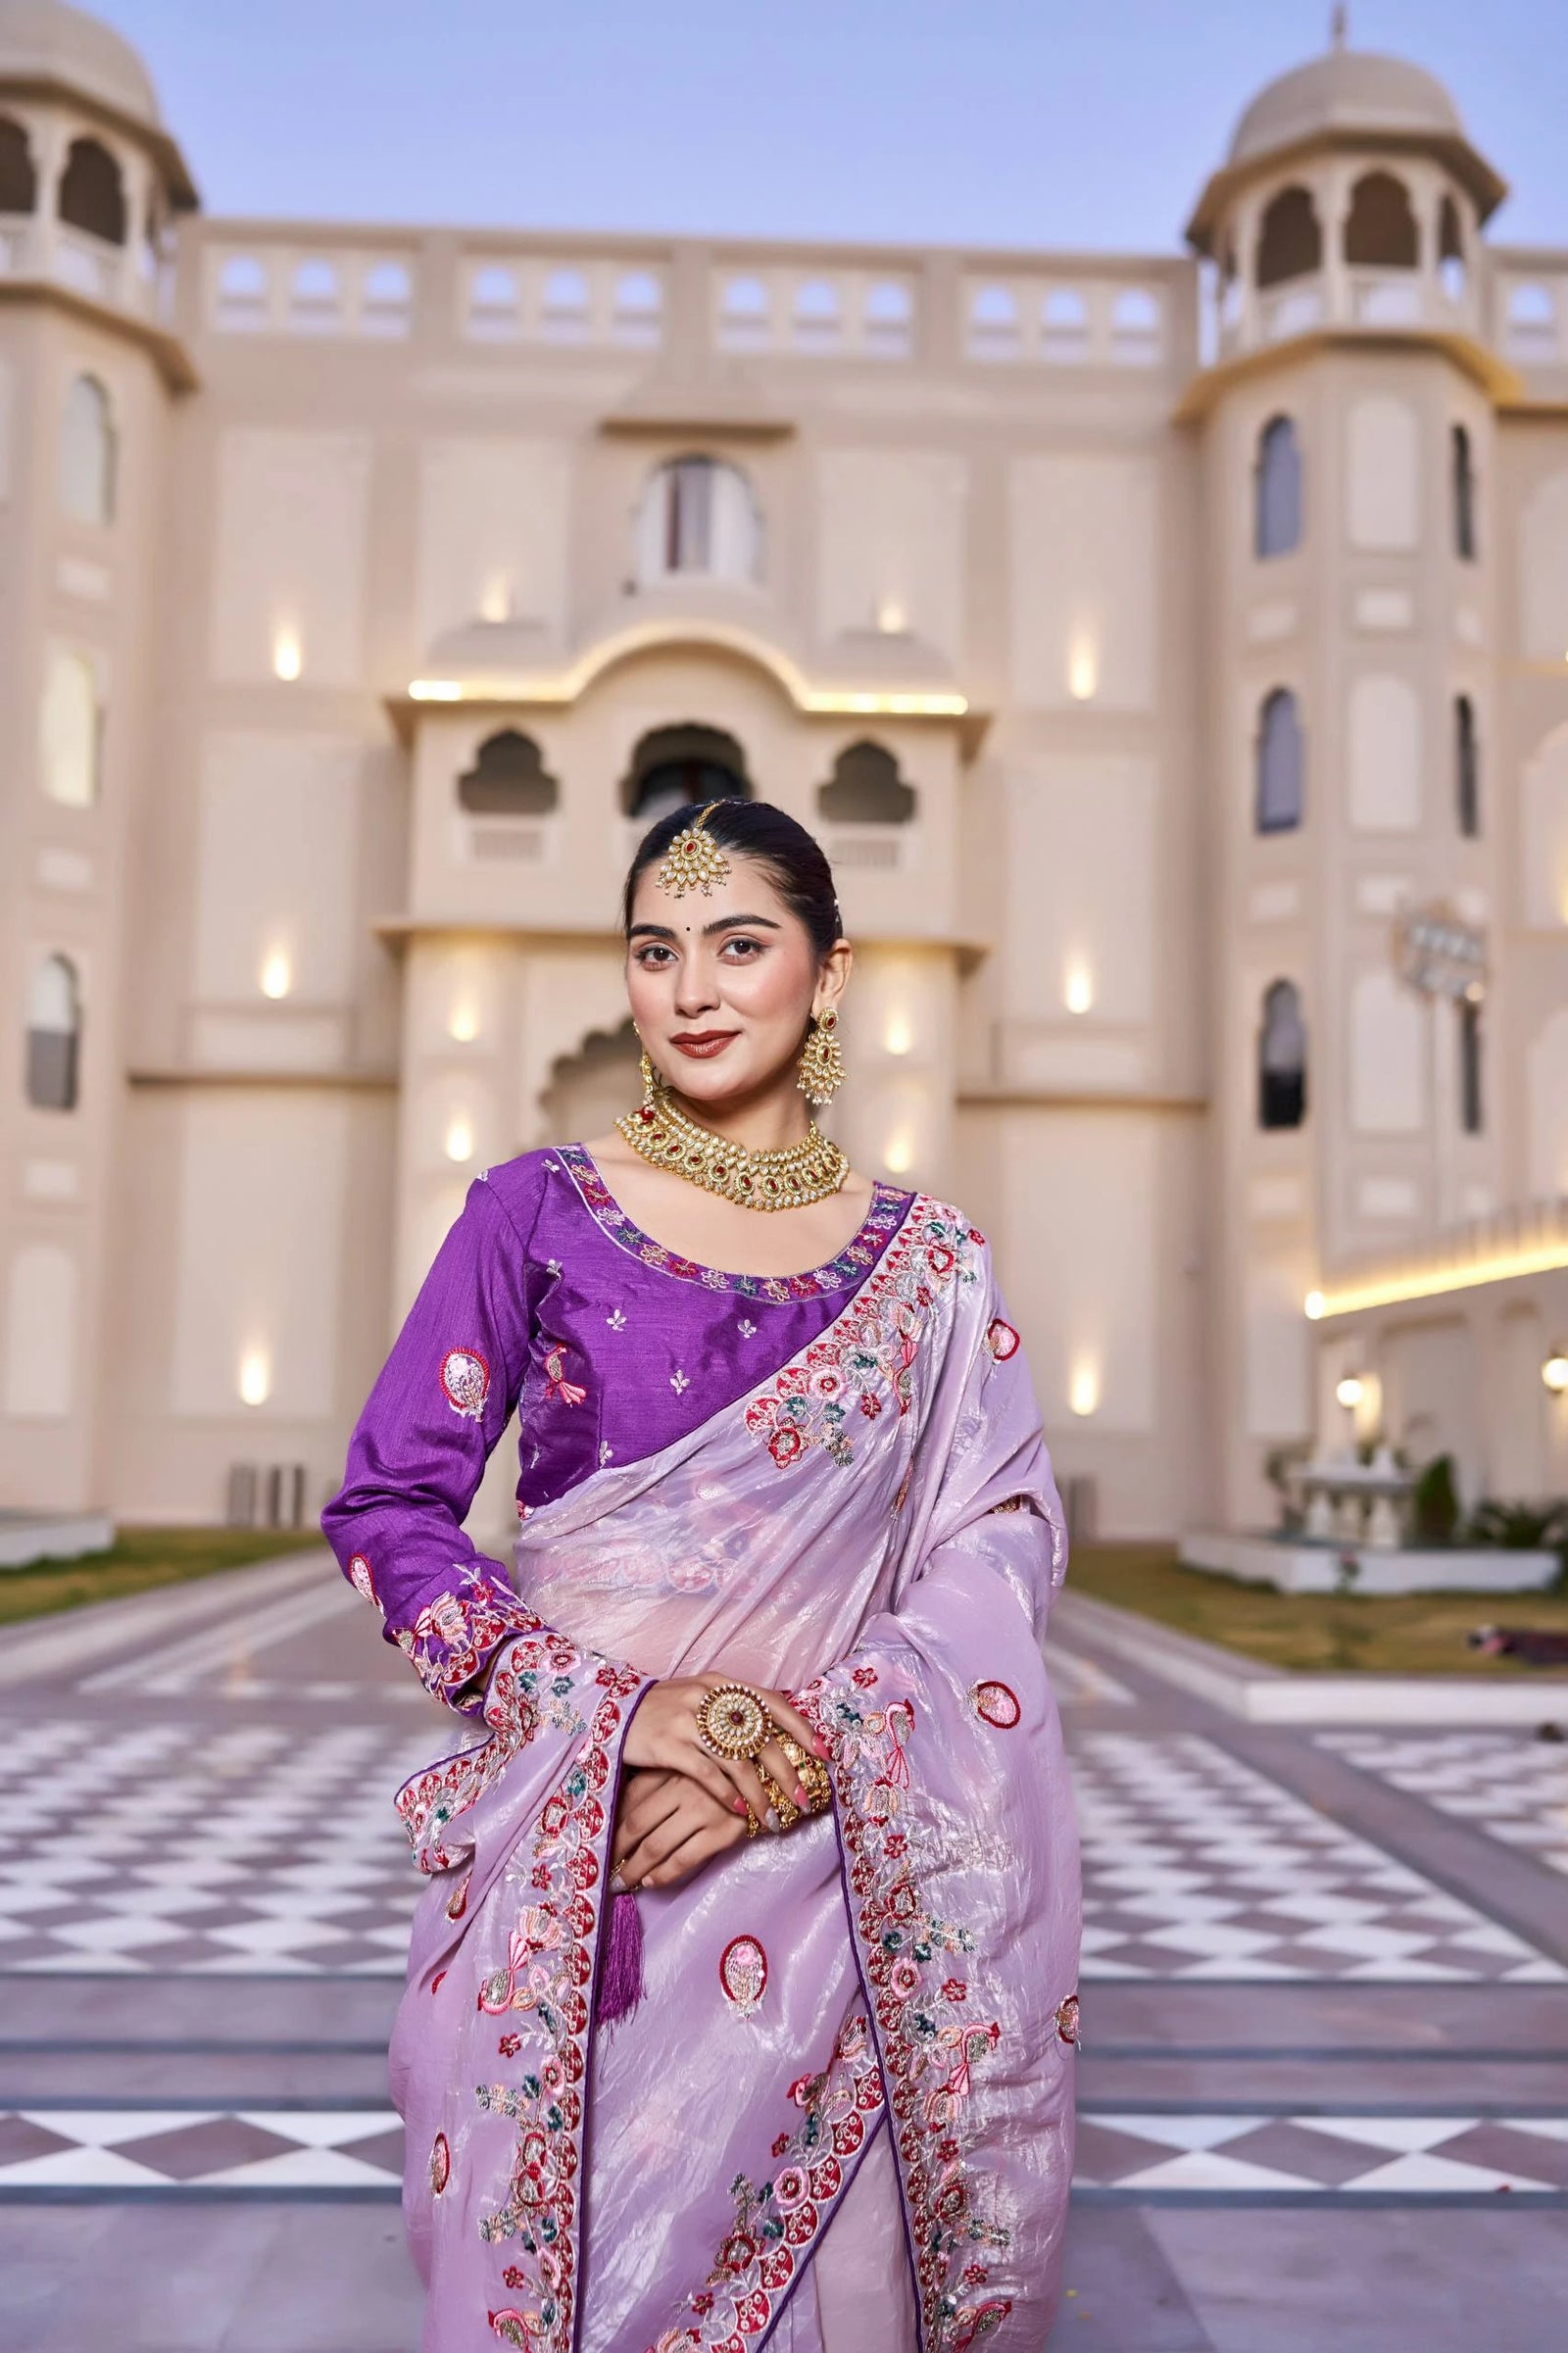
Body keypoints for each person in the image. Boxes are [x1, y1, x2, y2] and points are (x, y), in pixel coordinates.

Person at [322, 797, 1081, 2353]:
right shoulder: (534, 1214)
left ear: (831, 970)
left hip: (847, 1889)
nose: (694, 988)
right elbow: (392, 1501)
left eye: (742, 945)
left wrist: (794, 1748)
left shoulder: (932, 1266)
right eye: (657, 949)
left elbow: (994, 1542)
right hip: (586, 1875)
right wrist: (621, 1712)